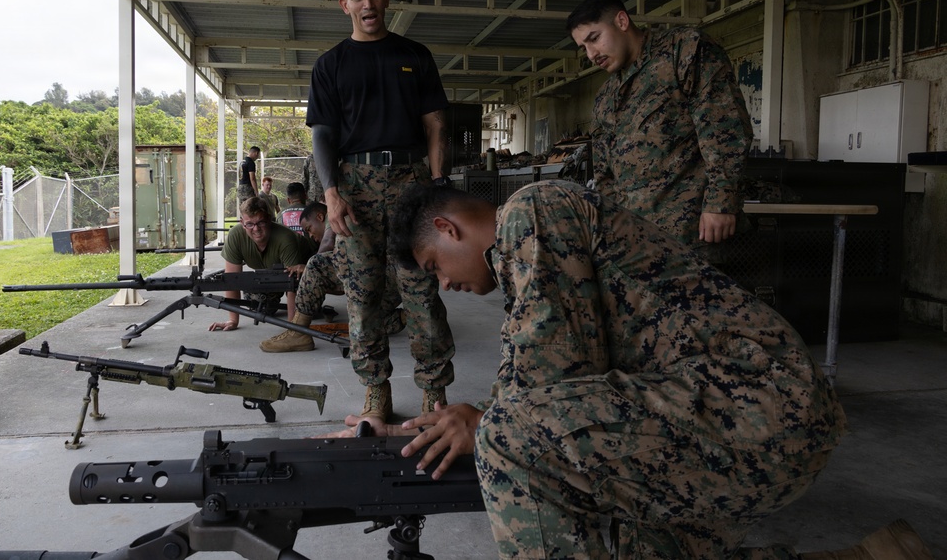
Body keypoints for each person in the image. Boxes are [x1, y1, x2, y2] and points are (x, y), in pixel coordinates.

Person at [326, 180, 852, 560]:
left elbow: (550, 372)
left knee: (509, 435)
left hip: (758, 402)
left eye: (434, 266)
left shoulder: (531, 210)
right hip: (755, 428)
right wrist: (406, 435)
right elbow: (537, 372)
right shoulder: (528, 274)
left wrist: (481, 421)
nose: (443, 284)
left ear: (447, 229)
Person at [305, 0, 456, 421]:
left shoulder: (415, 54)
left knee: (420, 288)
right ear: (344, 5)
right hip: (356, 185)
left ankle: (434, 390)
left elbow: (435, 124)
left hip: (412, 181)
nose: (367, 4)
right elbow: (323, 136)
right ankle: (376, 390)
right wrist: (331, 193)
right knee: (363, 292)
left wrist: (437, 186)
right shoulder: (330, 64)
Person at [566, 0, 752, 249]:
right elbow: (604, 174)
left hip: (693, 235)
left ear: (621, 21)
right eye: (583, 47)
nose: (591, 54)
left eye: (594, 39)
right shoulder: (606, 97)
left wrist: (721, 203)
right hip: (633, 241)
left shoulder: (683, 50)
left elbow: (724, 127)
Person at [266, 202, 406, 352]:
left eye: (309, 229)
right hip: (393, 284)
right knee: (366, 323)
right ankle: (409, 316)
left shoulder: (333, 216)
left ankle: (299, 332)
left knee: (316, 265)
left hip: (382, 277)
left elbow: (327, 242)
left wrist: (307, 270)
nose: (311, 236)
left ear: (320, 216)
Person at [208, 196, 316, 352]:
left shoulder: (285, 239)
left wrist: (294, 330)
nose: (256, 229)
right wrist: (233, 320)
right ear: (242, 224)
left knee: (307, 307)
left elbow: (292, 285)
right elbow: (232, 280)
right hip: (271, 272)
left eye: (261, 223)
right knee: (260, 307)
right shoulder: (236, 235)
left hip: (306, 272)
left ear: (270, 220)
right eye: (250, 224)